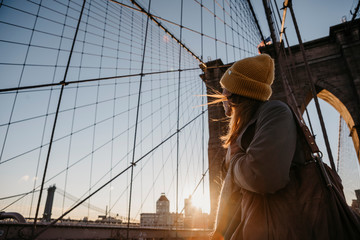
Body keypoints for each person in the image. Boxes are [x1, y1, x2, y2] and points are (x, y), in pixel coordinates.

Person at [210, 54, 309, 240]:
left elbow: (263, 177)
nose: (221, 94)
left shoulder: (276, 112)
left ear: (235, 93)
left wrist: (235, 157)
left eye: (225, 88)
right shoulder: (242, 132)